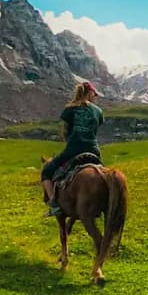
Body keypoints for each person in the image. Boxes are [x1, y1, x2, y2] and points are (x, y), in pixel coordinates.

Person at [41, 81, 103, 215]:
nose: (95, 97)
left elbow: (66, 131)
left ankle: (53, 203)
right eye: (95, 94)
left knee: (46, 170)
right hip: (94, 150)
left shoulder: (70, 109)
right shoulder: (98, 111)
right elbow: (94, 131)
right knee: (103, 173)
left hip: (73, 149)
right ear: (90, 93)